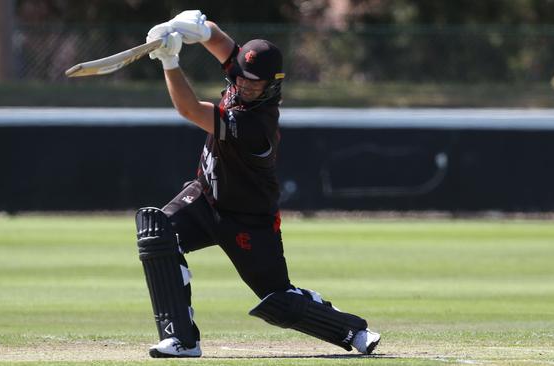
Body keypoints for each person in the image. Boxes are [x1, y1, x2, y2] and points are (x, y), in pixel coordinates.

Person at [134, 10, 380, 358]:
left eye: (255, 82)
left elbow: (189, 110)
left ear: (272, 84)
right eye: (242, 77)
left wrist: (169, 61)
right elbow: (220, 43)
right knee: (157, 232)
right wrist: (191, 28)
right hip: (206, 198)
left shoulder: (255, 125)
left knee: (278, 300)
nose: (245, 85)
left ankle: (352, 330)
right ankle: (182, 340)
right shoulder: (244, 77)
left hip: (249, 220)